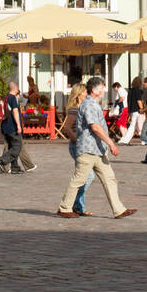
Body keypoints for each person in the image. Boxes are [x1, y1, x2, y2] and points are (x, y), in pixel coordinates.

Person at [55, 77, 135, 219]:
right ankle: (65, 207)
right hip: (88, 149)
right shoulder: (89, 105)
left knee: (109, 178)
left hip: (97, 150)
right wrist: (111, 143)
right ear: (94, 90)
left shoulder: (93, 103)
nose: (104, 90)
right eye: (101, 88)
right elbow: (95, 127)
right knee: (79, 179)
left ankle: (118, 209)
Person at [60, 83, 94, 215]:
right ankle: (74, 202)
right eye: (85, 92)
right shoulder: (75, 109)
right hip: (76, 146)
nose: (87, 94)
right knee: (87, 175)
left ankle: (79, 207)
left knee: (83, 176)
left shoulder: (83, 107)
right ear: (79, 94)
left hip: (83, 145)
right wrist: (77, 140)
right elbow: (67, 127)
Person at [0, 81, 27, 174]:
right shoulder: (13, 98)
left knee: (12, 147)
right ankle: (2, 160)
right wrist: (18, 125)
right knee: (18, 146)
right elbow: (15, 111)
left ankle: (15, 167)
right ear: (16, 88)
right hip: (12, 126)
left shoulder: (5, 97)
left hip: (5, 126)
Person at [119, 76, 145, 145]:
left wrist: (129, 111)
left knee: (133, 126)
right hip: (138, 110)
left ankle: (125, 140)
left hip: (132, 111)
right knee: (140, 126)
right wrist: (142, 109)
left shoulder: (130, 91)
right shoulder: (138, 91)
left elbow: (128, 102)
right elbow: (139, 101)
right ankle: (144, 140)